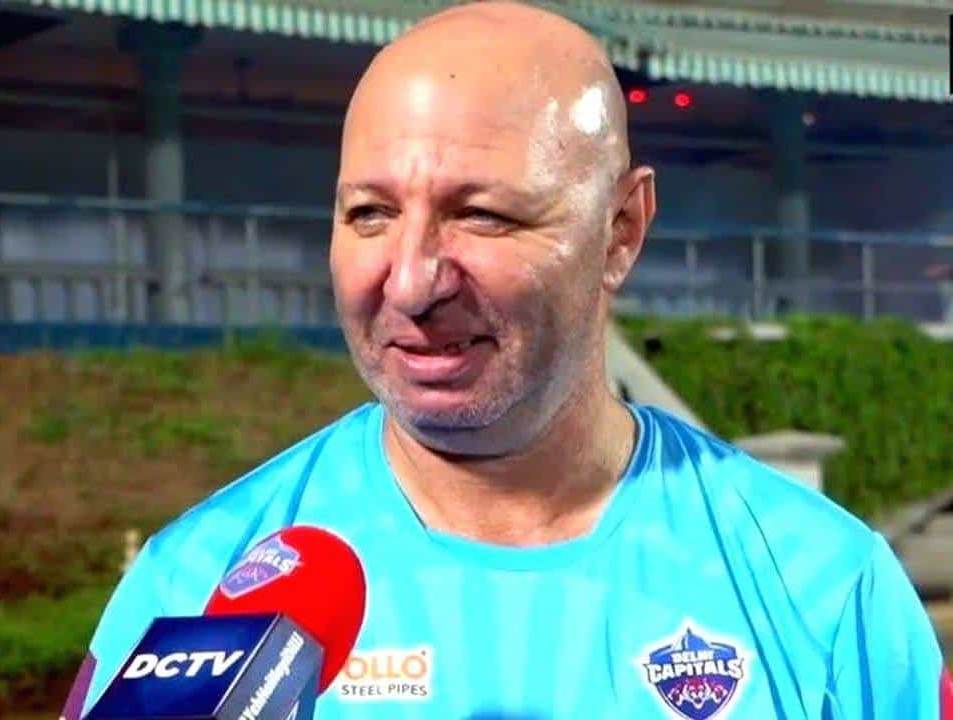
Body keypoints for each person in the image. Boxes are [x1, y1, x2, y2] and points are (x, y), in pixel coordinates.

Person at [62, 3, 947, 718]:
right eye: (370, 214)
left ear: (621, 232)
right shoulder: (195, 587)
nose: (411, 282)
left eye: (482, 215)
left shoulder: (826, 590)